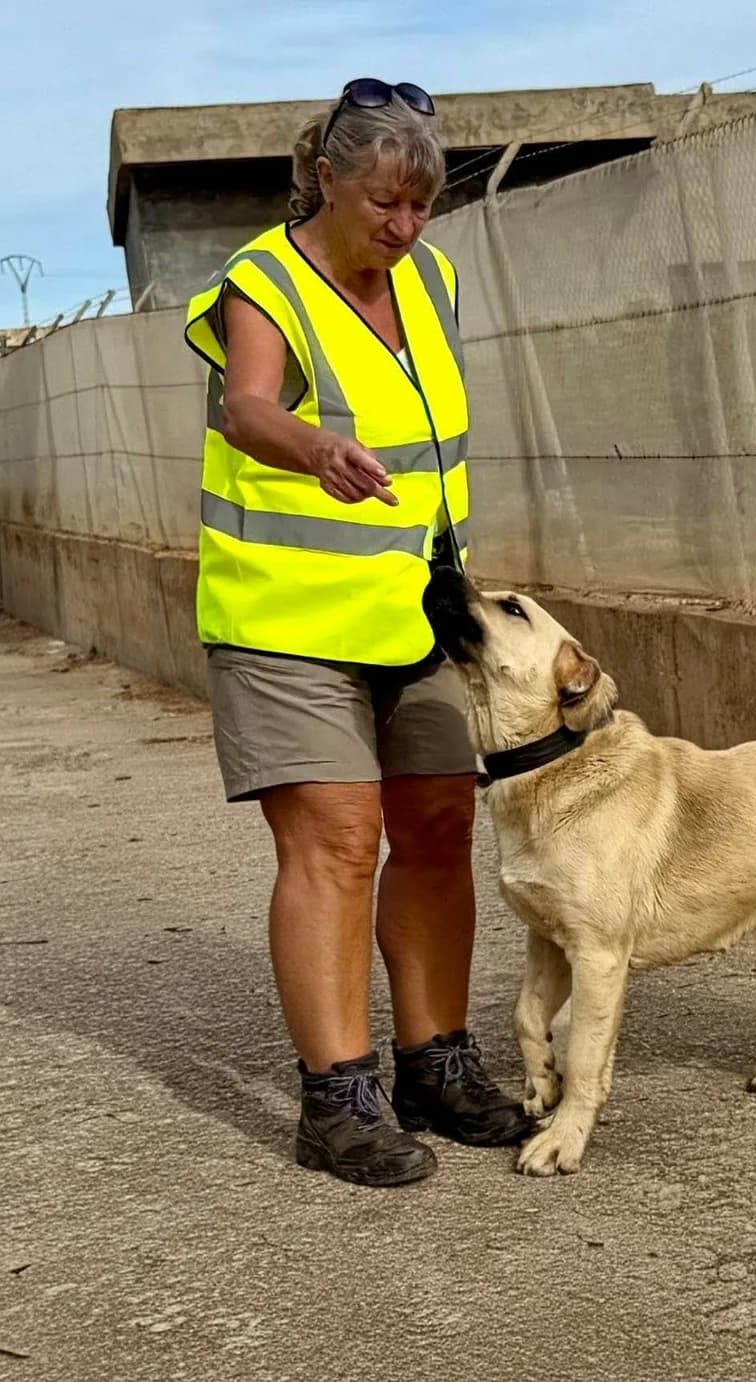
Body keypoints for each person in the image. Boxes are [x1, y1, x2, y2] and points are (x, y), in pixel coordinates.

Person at [183, 78, 531, 1188]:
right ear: (324, 177)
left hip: (417, 608)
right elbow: (247, 405)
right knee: (337, 839)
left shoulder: (432, 276)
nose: (403, 227)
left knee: (437, 821)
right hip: (285, 614)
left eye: (422, 205)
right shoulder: (264, 280)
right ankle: (338, 1094)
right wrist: (313, 449)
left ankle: (437, 1061)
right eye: (383, 202)